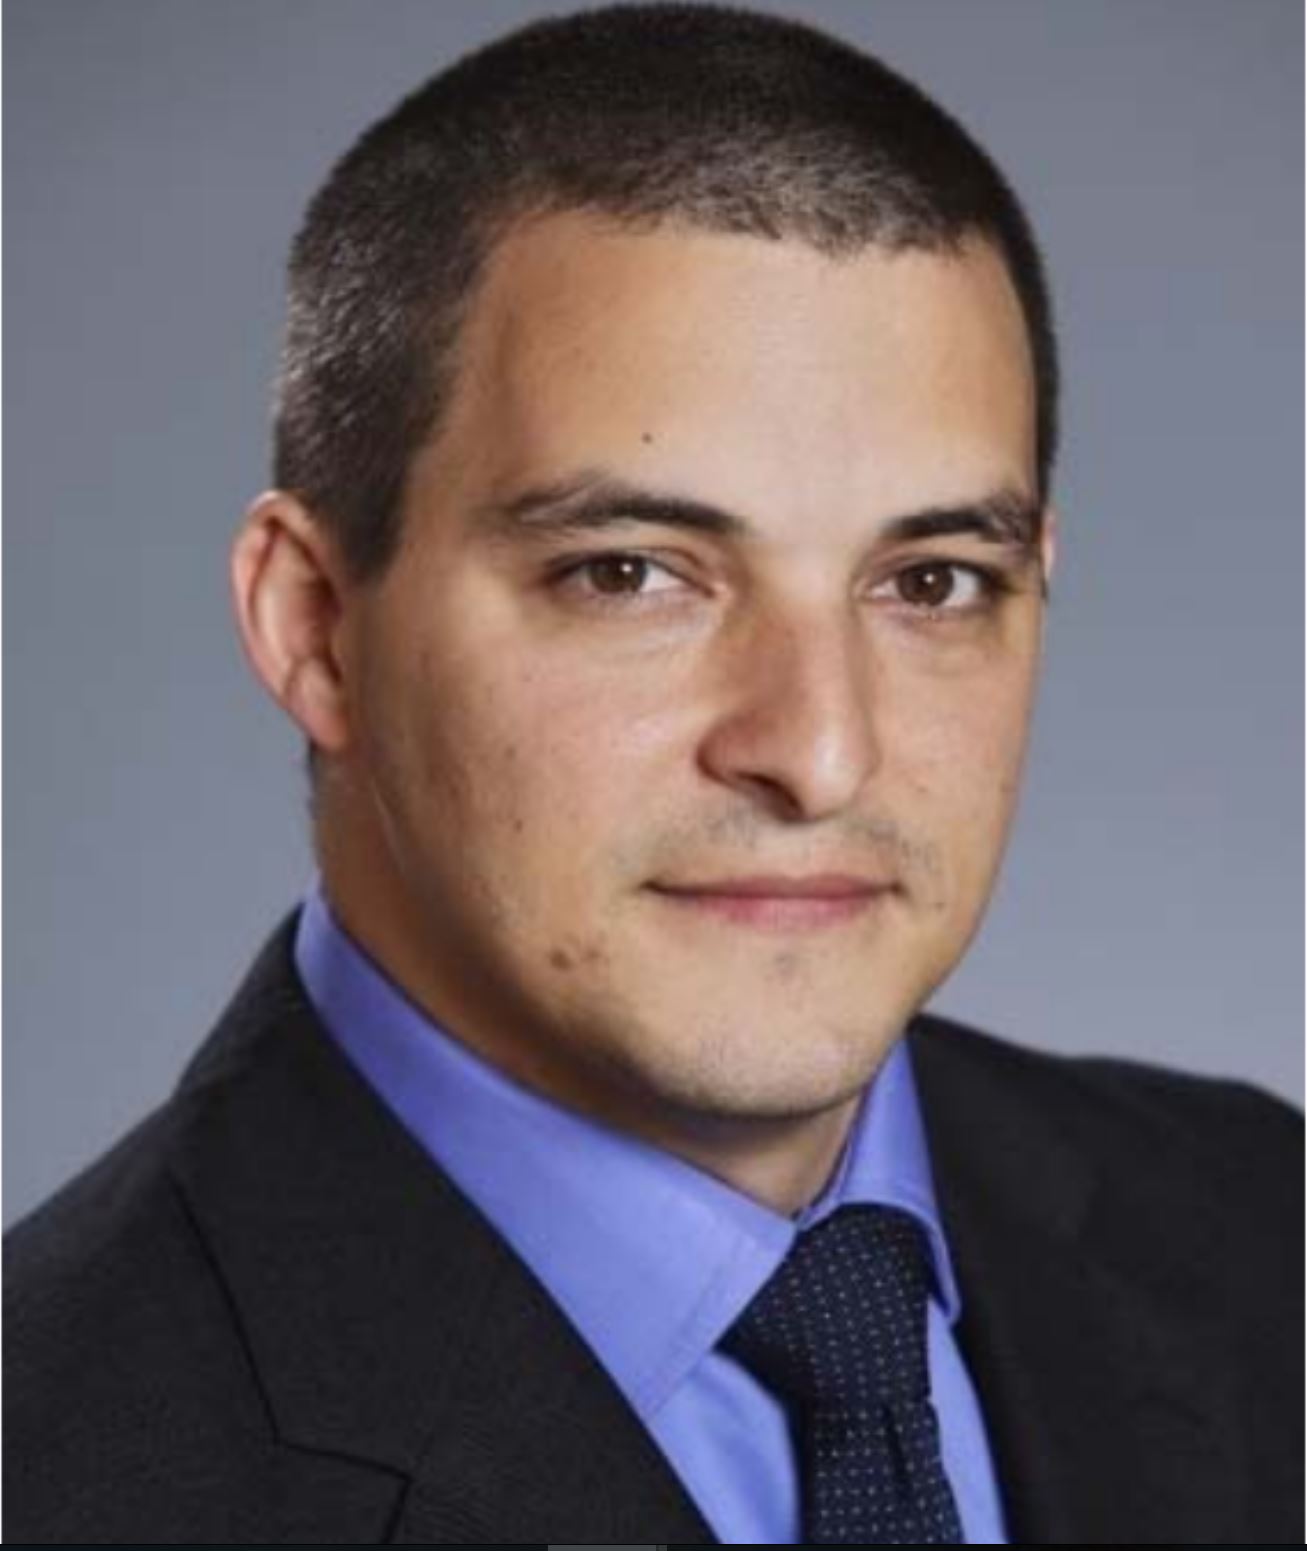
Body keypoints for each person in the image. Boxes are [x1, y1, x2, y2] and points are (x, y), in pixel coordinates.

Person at [5, 4, 1300, 1544]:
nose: (819, 753)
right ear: (316, 627)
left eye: (932, 581)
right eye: (628, 573)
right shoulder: (52, 1461)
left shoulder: (1263, 1230)